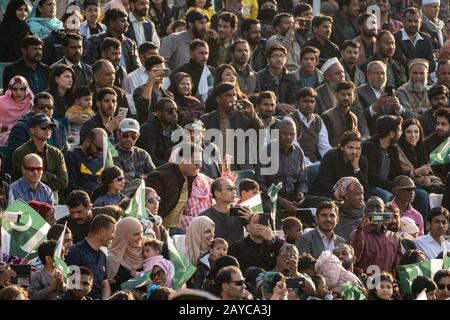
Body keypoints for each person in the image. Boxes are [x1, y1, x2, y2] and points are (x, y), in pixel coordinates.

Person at [256, 118, 328, 221]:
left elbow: (302, 181)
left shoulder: (298, 152)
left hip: (293, 197)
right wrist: (281, 201)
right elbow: (261, 185)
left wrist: (301, 193)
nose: (288, 137)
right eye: (284, 134)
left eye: (292, 134)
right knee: (268, 209)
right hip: (273, 198)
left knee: (326, 204)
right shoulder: (266, 152)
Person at [200, 82, 263, 170]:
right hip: (216, 170)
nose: (233, 99)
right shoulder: (205, 119)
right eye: (229, 95)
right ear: (218, 99)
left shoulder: (244, 116)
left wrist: (253, 115)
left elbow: (261, 134)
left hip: (240, 168)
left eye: (234, 95)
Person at [146, 142, 202, 234]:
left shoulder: (190, 175)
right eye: (196, 163)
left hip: (176, 228)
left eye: (200, 163)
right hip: (157, 229)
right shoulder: (160, 177)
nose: (198, 167)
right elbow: (146, 206)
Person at [12, 113, 68, 195]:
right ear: (32, 130)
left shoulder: (57, 153)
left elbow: (63, 181)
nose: (48, 130)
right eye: (43, 127)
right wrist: (50, 175)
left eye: (50, 127)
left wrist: (43, 190)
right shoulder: (20, 152)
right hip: (25, 195)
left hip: (52, 195)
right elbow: (25, 179)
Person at [66, 214, 116, 300]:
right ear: (102, 231)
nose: (113, 236)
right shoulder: (76, 252)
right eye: (112, 232)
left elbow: (105, 283)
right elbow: (70, 285)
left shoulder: (102, 255)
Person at [357, 60, 411, 135]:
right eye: (376, 73)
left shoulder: (392, 92)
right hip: (373, 136)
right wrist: (375, 107)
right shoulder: (359, 92)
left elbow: (408, 117)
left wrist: (398, 107)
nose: (380, 76)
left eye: (383, 73)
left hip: (393, 136)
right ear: (368, 75)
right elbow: (359, 118)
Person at [349, 203, 403, 274]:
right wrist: (360, 228)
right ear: (365, 212)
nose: (374, 210)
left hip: (386, 283)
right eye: (370, 207)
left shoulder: (394, 237)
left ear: (384, 212)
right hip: (364, 282)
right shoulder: (356, 233)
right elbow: (354, 258)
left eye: (378, 207)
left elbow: (398, 267)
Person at [313, 131, 369, 198]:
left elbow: (365, 188)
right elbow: (323, 182)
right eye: (350, 148)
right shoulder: (331, 156)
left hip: (352, 195)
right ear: (342, 147)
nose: (354, 152)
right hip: (329, 193)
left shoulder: (362, 160)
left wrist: (356, 168)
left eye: (357, 148)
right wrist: (341, 192)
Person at [362, 115, 404, 203]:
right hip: (372, 187)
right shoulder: (369, 147)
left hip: (389, 186)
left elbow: (399, 172)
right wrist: (394, 186)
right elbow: (371, 177)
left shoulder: (393, 149)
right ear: (392, 134)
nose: (401, 132)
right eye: (399, 130)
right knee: (385, 195)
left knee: (420, 193)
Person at [86, 8, 140, 73]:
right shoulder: (94, 41)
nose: (127, 24)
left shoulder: (130, 43)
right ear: (112, 23)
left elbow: (136, 67)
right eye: (123, 21)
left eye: (127, 21)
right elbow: (92, 66)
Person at [200, 177, 252, 244]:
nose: (234, 192)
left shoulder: (239, 210)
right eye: (230, 189)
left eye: (234, 189)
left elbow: (255, 233)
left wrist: (251, 219)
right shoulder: (206, 217)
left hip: (239, 253)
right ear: (217, 194)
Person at [288, 87, 331, 165]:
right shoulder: (290, 120)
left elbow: (324, 146)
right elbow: (294, 149)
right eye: (305, 101)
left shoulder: (318, 120)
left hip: (315, 162)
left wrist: (329, 163)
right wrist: (311, 166)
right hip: (294, 162)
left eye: (312, 101)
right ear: (297, 103)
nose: (309, 105)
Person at [136, 98, 182, 167]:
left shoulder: (177, 129)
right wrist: (172, 167)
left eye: (175, 111)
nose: (175, 114)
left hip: (172, 169)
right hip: (152, 171)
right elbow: (150, 159)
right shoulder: (148, 129)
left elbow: (182, 154)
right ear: (158, 113)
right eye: (170, 111)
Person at [106, 216, 144, 292]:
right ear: (124, 235)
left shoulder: (147, 251)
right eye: (136, 234)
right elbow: (111, 287)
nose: (141, 237)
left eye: (142, 233)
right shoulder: (112, 259)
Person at [64, 128, 106, 195]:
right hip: (81, 200)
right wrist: (93, 194)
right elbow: (70, 186)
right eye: (99, 149)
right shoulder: (71, 156)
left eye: (103, 150)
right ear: (88, 141)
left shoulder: (102, 157)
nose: (100, 152)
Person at [133, 54, 174, 124]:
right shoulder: (140, 90)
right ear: (148, 72)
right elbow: (143, 109)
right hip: (147, 129)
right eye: (158, 71)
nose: (161, 74)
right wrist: (150, 82)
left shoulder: (169, 95)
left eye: (163, 71)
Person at [394, 7, 436, 73]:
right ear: (403, 21)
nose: (413, 24)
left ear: (421, 22)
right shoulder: (395, 37)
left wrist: (412, 63)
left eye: (416, 21)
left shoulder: (426, 38)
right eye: (410, 21)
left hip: (423, 80)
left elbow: (432, 65)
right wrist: (423, 64)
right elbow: (401, 62)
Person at [255, 44, 297, 110]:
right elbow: (259, 99)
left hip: (287, 112)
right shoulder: (259, 76)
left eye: (281, 56)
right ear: (268, 60)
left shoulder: (290, 77)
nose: (279, 59)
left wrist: (290, 108)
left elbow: (293, 99)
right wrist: (277, 106)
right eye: (274, 56)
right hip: (266, 110)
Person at [173, 39, 215, 105]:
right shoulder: (182, 71)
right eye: (201, 53)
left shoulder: (212, 72)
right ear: (191, 53)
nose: (205, 57)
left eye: (206, 53)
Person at [322, 81, 359, 148]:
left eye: (349, 94)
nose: (346, 98)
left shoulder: (354, 117)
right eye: (343, 94)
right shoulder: (327, 116)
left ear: (354, 97)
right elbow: (324, 144)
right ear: (336, 95)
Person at [0, 76, 34, 145]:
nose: (18, 92)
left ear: (26, 90)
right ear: (10, 90)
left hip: (24, 137)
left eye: (22, 89)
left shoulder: (31, 103)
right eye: (15, 89)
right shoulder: (1, 102)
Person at [332, 177, 365, 241]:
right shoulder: (335, 215)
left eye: (362, 194)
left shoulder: (367, 211)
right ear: (346, 195)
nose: (361, 198)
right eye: (358, 194)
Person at [424, 108, 450, 181]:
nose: (439, 127)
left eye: (443, 124)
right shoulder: (427, 143)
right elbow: (429, 170)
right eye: (437, 124)